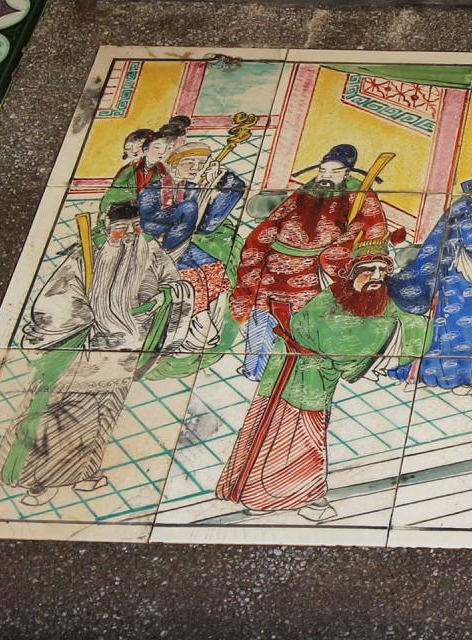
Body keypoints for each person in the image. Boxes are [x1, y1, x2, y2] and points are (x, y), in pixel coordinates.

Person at [215, 243, 428, 522]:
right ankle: (293, 497)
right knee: (294, 433)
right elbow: (327, 334)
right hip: (298, 373)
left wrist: (410, 325)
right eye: (368, 270)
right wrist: (383, 330)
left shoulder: (377, 298)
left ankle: (275, 493)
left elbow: (411, 325)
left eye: (382, 270)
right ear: (351, 273)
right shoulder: (333, 296)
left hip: (316, 378)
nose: (377, 277)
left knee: (300, 431)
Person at [0, 201, 194, 504]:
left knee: (104, 416)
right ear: (107, 227)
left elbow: (173, 285)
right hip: (83, 350)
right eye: (120, 229)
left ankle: (86, 473)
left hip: (126, 351)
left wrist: (162, 300)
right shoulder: (88, 256)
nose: (128, 235)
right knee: (58, 415)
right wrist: (92, 317)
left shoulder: (152, 253)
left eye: (135, 227)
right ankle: (40, 481)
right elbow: (58, 298)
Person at [229, 143, 391, 379]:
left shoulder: (359, 196)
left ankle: (292, 375)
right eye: (322, 171)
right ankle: (255, 370)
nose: (326, 176)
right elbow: (272, 223)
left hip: (312, 272)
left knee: (303, 325)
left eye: (334, 172)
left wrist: (334, 253)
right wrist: (258, 253)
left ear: (346, 173)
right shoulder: (305, 192)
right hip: (274, 269)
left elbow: (368, 228)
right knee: (262, 315)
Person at [388, 152, 472, 389]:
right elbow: (442, 237)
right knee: (453, 323)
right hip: (459, 269)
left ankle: (452, 375)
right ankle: (453, 378)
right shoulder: (464, 205)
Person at [136, 142, 248, 329]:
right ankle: (192, 324)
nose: (195, 168)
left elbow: (207, 224)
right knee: (191, 280)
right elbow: (147, 223)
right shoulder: (153, 190)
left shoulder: (193, 189)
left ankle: (208, 325)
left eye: (201, 164)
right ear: (174, 163)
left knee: (215, 271)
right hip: (158, 247)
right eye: (189, 163)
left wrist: (220, 182)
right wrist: (182, 215)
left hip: (186, 245)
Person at [96, 128, 157, 223]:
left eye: (139, 146)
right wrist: (104, 210)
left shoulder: (157, 168)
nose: (134, 151)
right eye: (129, 148)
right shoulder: (127, 170)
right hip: (128, 208)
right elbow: (114, 191)